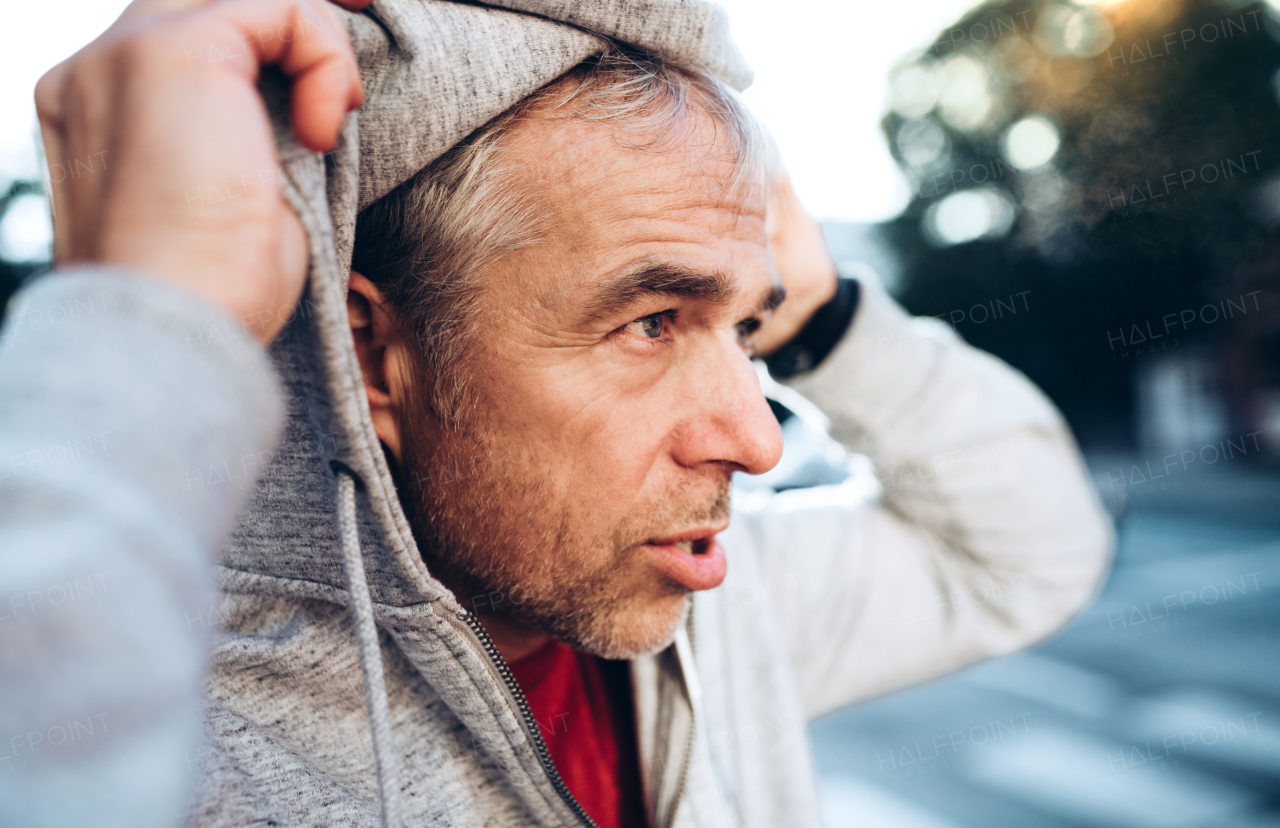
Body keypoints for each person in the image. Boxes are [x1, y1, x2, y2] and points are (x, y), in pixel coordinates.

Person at [0, 1, 1114, 826]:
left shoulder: (723, 614)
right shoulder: (190, 745)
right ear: (372, 354)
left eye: (746, 328)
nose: (759, 437)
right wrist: (153, 318)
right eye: (650, 321)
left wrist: (822, 319)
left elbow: (1026, 554)